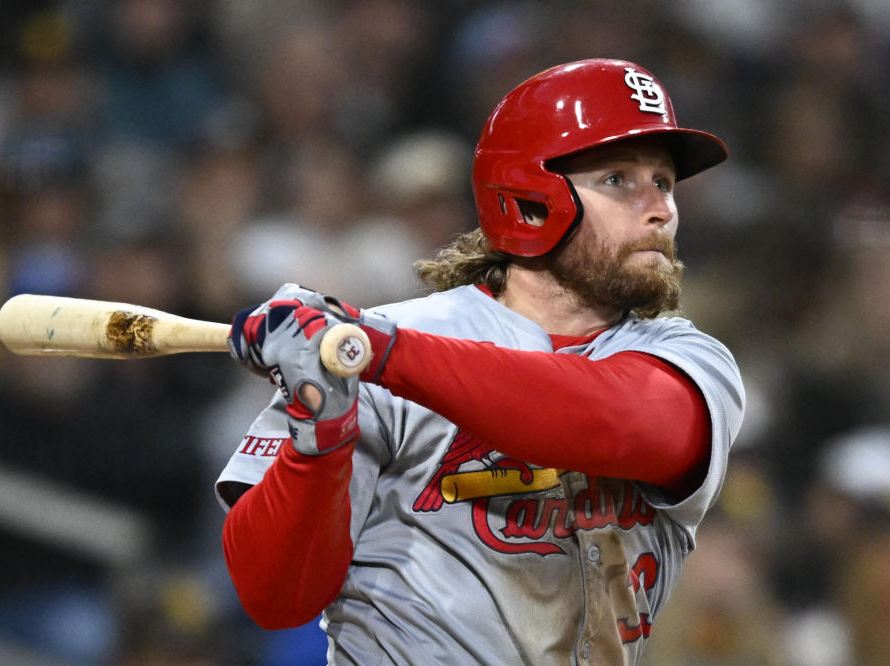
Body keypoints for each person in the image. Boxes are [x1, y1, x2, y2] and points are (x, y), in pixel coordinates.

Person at [215, 59, 745, 665]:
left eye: (665, 182)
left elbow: (614, 419)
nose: (660, 209)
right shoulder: (376, 350)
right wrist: (321, 434)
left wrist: (381, 352)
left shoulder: (685, 358)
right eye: (620, 180)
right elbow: (276, 597)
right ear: (529, 198)